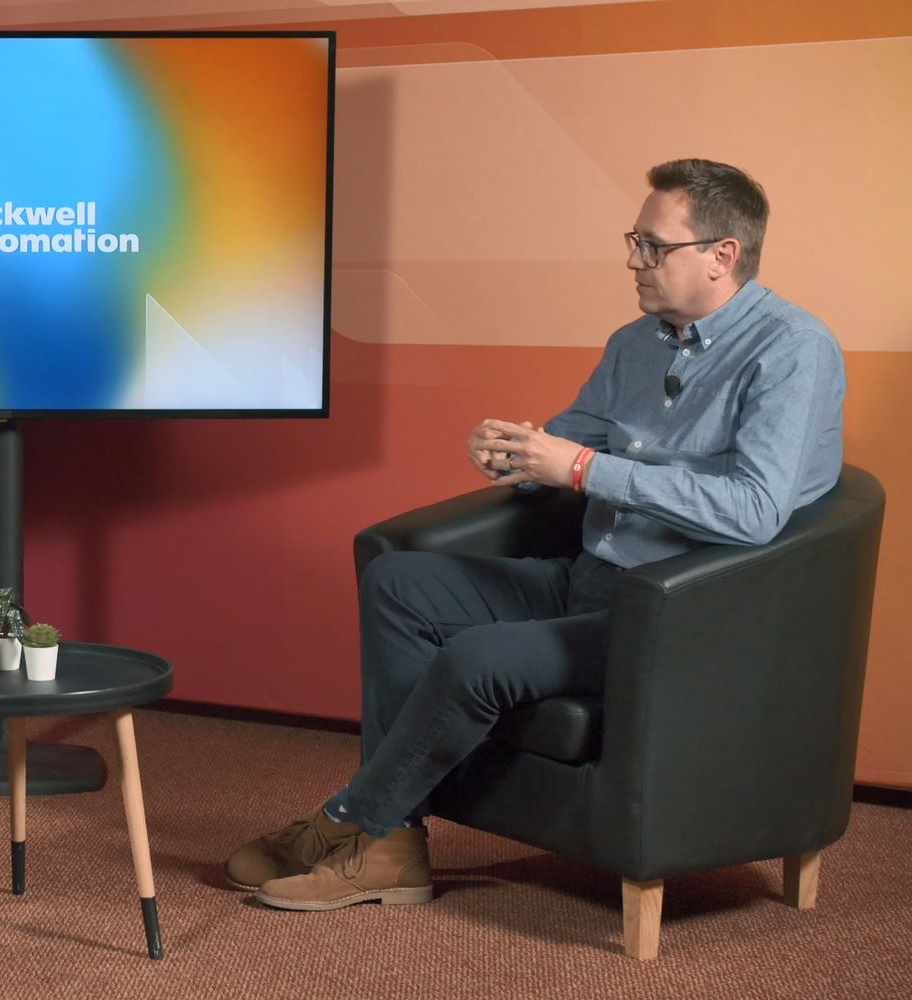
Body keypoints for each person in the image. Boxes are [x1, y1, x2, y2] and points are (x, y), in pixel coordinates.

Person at [225, 159, 846, 911]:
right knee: (397, 581)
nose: (633, 261)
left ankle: (349, 821)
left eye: (653, 246)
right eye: (634, 241)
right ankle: (392, 843)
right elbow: (570, 440)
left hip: (672, 616)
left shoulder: (792, 350)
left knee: (478, 656)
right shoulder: (635, 343)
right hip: (589, 577)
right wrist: (513, 454)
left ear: (722, 255)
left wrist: (582, 469)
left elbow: (755, 508)